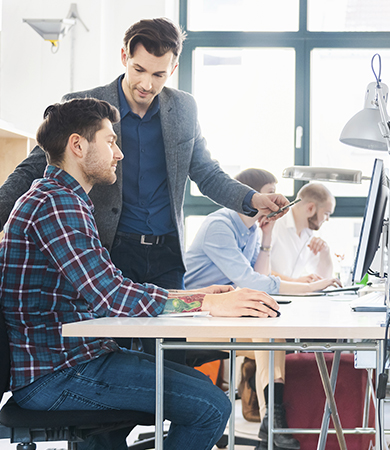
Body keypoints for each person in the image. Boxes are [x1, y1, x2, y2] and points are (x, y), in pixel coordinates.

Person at [0, 98, 281, 450]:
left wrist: (194, 296)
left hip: (71, 362)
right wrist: (206, 303)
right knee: (211, 406)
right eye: (110, 141)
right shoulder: (57, 205)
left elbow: (114, 288)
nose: (119, 154)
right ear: (77, 145)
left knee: (202, 390)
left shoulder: (60, 199)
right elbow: (113, 297)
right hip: (59, 374)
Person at [0, 17, 288, 290]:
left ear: (172, 70)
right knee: (110, 339)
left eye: (159, 74)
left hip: (167, 256)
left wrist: (252, 199)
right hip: (110, 248)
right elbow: (33, 167)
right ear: (124, 58)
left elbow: (207, 173)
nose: (147, 84)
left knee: (168, 340)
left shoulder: (184, 109)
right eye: (139, 70)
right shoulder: (86, 106)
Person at [183, 168, 340, 450]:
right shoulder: (219, 226)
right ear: (248, 196)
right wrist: (307, 288)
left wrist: (266, 236)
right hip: (195, 318)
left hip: (221, 316)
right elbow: (252, 281)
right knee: (267, 335)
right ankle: (273, 424)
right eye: (270, 194)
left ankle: (273, 423)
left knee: (271, 335)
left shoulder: (252, 230)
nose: (277, 201)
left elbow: (260, 276)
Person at [269, 182, 336, 281]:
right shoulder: (274, 224)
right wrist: (295, 283)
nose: (327, 219)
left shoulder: (310, 233)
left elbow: (323, 279)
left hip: (289, 295)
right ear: (310, 208)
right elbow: (257, 270)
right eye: (326, 213)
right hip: (265, 295)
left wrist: (325, 253)